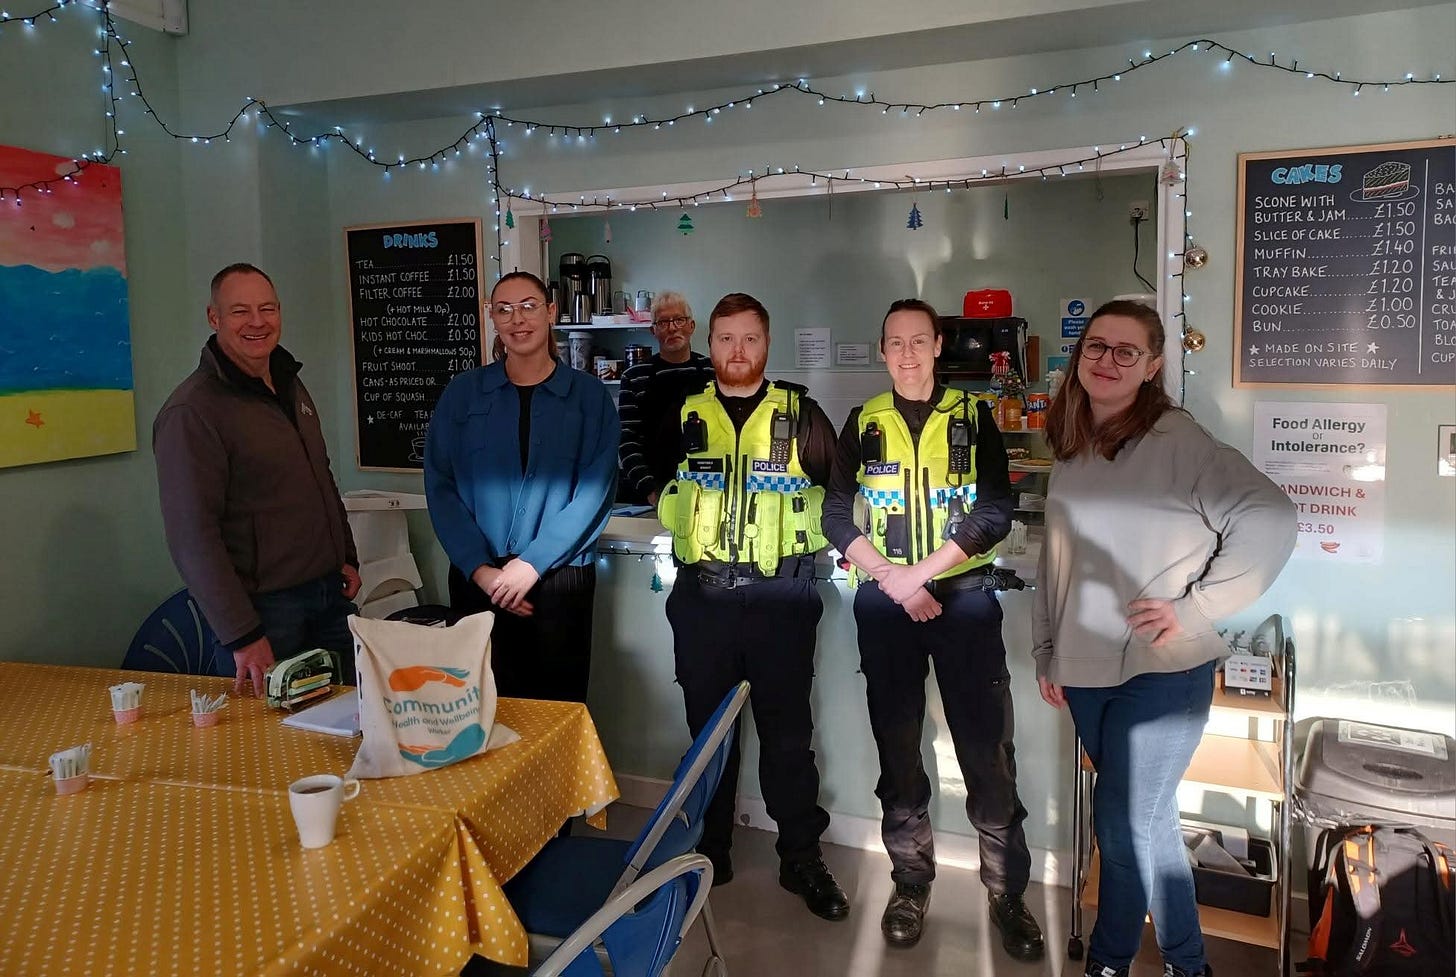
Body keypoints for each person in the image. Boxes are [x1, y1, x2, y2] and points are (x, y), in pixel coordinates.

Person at [1032, 300, 1296, 977]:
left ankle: (1127, 961)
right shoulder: (1075, 442)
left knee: (1125, 828)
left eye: (1127, 351)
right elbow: (1055, 560)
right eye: (1096, 346)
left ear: (1152, 366)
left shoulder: (1179, 440)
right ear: (1079, 358)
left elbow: (1270, 517)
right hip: (1087, 669)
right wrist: (1048, 650)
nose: (1108, 361)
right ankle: (1162, 961)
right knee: (1138, 824)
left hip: (1162, 670)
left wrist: (1198, 606)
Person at [821, 298, 1045, 959]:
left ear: (939, 344)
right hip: (885, 608)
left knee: (987, 753)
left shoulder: (973, 417)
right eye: (896, 342)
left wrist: (924, 573)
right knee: (898, 750)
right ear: (883, 350)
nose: (909, 353)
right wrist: (895, 580)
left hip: (967, 603)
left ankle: (1007, 891)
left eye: (920, 340)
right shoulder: (863, 421)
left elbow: (997, 507)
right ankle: (910, 881)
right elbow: (836, 515)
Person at [655, 292, 849, 921]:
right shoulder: (684, 412)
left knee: (788, 736)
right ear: (710, 345)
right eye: (725, 339)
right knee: (707, 739)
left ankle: (801, 857)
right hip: (702, 596)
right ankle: (709, 850)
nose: (737, 352)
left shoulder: (802, 414)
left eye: (750, 340)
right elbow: (651, 478)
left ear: (767, 346)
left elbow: (838, 496)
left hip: (781, 599)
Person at [154, 263, 360, 696]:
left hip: (326, 598)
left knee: (347, 726)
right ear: (214, 318)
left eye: (267, 308)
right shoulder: (193, 412)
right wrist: (241, 633)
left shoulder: (289, 383)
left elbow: (318, 474)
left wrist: (345, 553)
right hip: (264, 614)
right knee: (267, 745)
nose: (257, 322)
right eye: (240, 311)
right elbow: (192, 536)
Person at [424, 271, 619, 704]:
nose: (518, 319)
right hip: (479, 579)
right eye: (504, 309)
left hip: (558, 580)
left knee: (554, 710)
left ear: (551, 312)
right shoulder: (463, 395)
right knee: (479, 710)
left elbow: (595, 491)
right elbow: (440, 486)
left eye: (529, 305)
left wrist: (530, 565)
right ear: (490, 317)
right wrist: (482, 570)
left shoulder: (588, 398)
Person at [617, 291, 716, 505]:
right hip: (651, 495)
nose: (672, 328)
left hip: (708, 490)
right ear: (653, 330)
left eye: (679, 320)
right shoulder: (634, 377)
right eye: (663, 322)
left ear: (691, 326)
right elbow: (627, 441)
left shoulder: (713, 371)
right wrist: (651, 492)